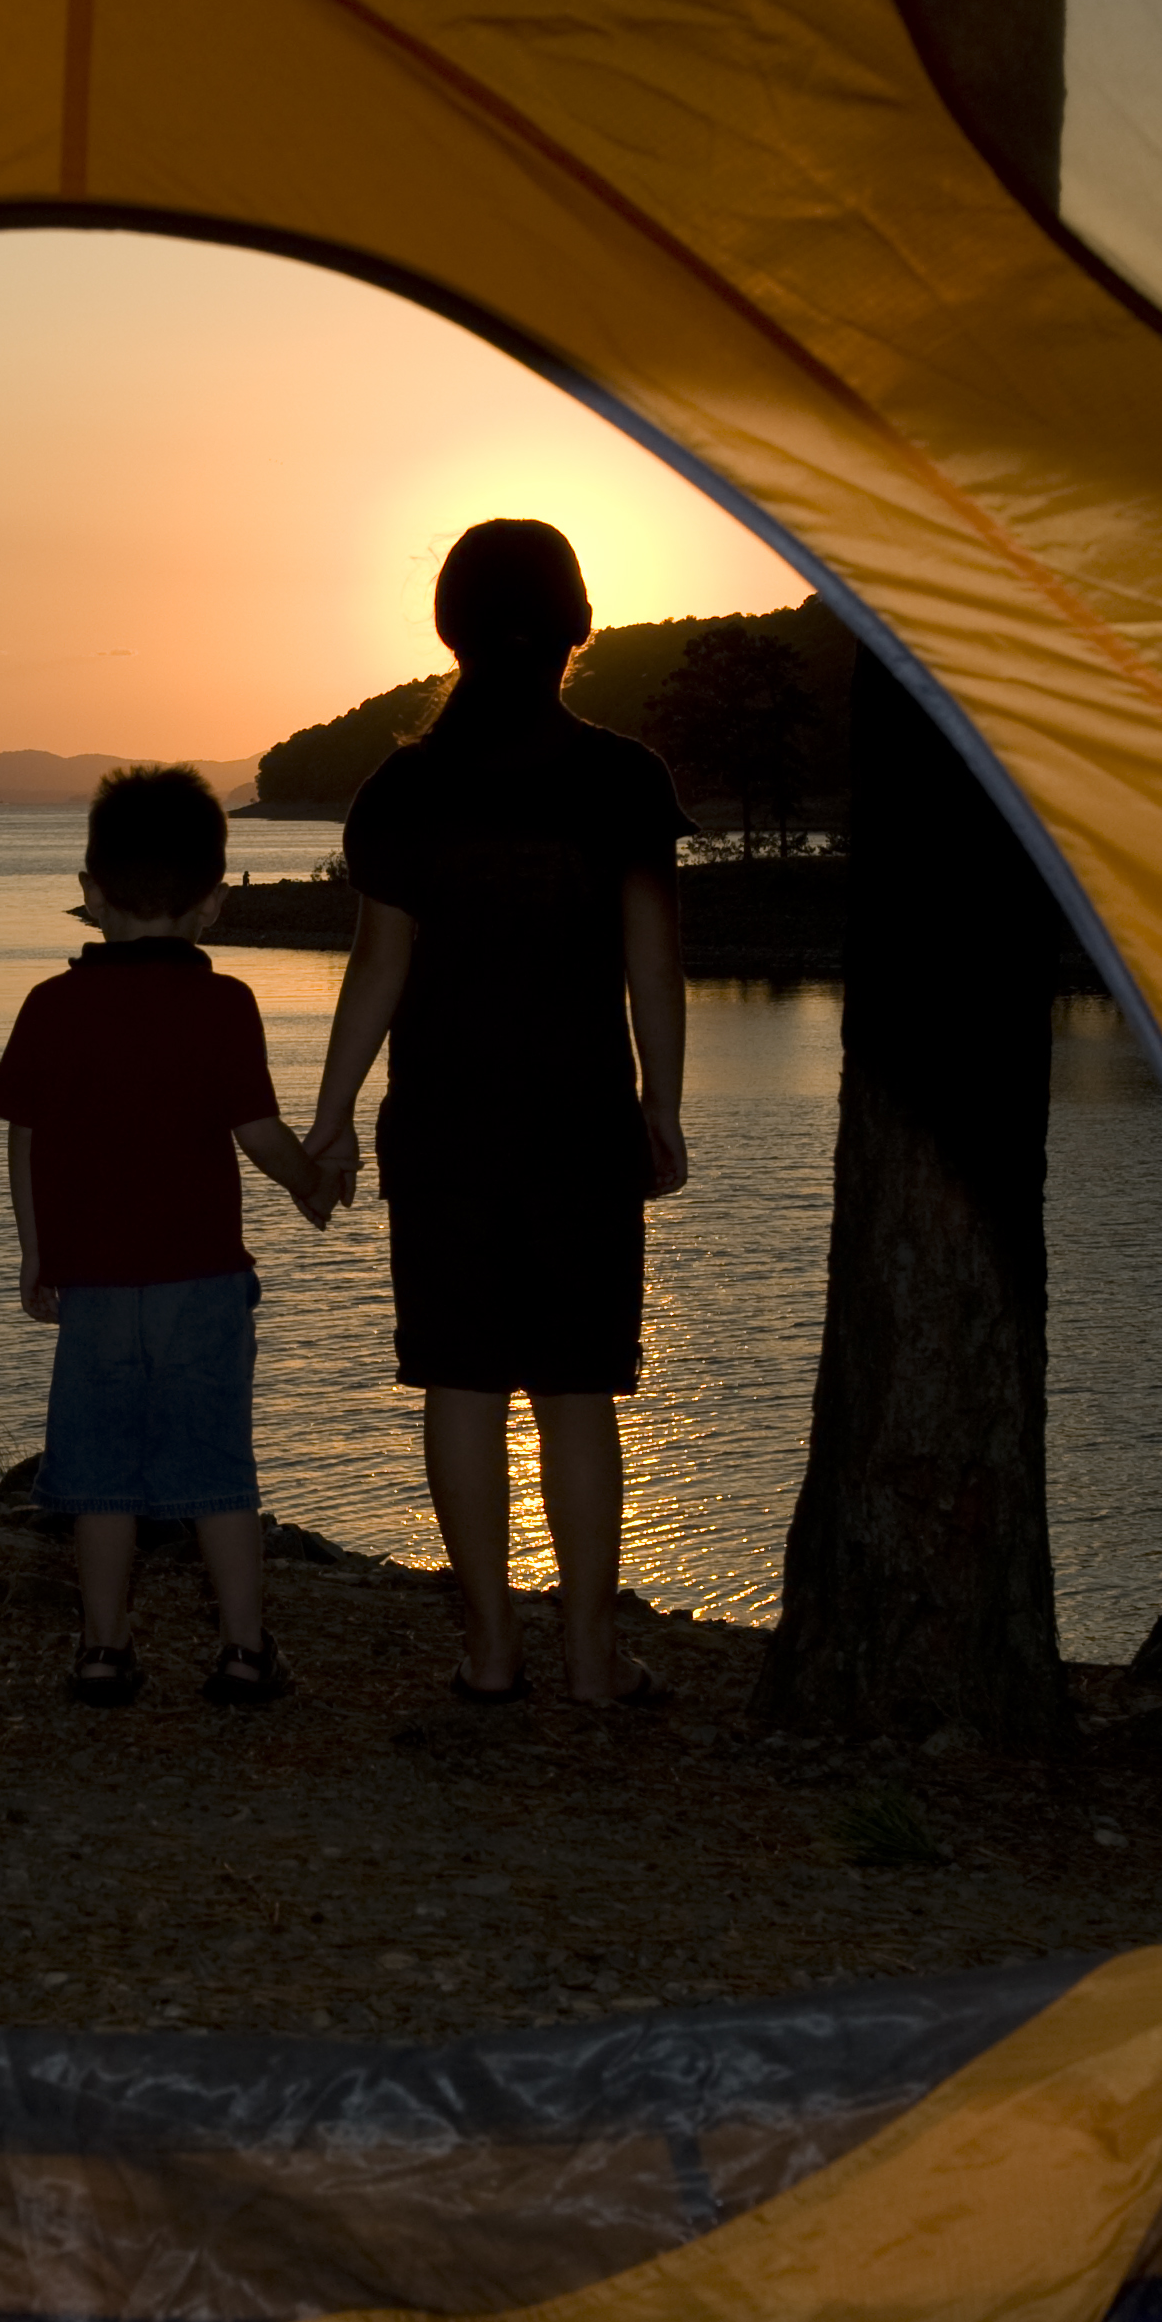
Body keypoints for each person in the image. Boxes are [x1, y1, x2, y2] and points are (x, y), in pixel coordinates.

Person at [304, 519, 691, 1706]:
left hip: (443, 1138)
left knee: (460, 1385)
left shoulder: (404, 788)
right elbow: (651, 962)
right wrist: (660, 1112)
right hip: (579, 1131)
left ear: (449, 631)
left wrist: (325, 1121)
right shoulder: (620, 779)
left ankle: (487, 1650)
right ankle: (586, 1658)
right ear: (574, 627)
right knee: (578, 1392)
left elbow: (377, 969)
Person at [0, 765, 339, 1707]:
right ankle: (244, 1652)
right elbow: (259, 1136)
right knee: (219, 1469)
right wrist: (313, 1183)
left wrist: (34, 1252)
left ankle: (103, 1652)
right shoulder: (224, 1004)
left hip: (92, 1283)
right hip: (203, 1284)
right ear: (215, 904)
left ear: (90, 895)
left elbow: (26, 1135)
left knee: (98, 1479)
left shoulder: (51, 1006)